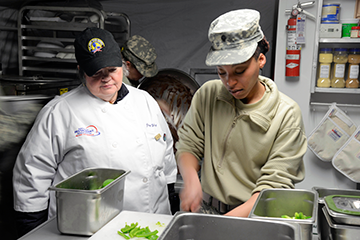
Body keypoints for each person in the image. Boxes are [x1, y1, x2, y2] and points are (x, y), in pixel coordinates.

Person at [12, 27, 177, 237]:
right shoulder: (59, 112)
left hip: (152, 222)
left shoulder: (145, 101)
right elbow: (32, 174)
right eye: (96, 72)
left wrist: (172, 198)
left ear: (123, 65)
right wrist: (33, 231)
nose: (106, 78)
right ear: (81, 71)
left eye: (112, 69)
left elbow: (166, 156)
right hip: (89, 228)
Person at [176, 9, 307, 217]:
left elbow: (273, 185)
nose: (230, 82)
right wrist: (191, 180)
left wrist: (226, 224)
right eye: (221, 72)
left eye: (239, 71)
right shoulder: (208, 95)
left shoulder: (286, 114)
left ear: (261, 60)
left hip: (254, 215)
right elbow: (188, 145)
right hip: (207, 210)